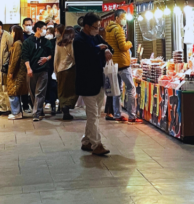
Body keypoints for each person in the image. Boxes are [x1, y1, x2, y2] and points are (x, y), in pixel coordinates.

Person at [75, 13, 111, 155]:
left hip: (99, 81)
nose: (97, 30)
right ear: (86, 26)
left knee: (95, 114)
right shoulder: (78, 40)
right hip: (86, 83)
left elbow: (109, 48)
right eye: (95, 27)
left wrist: (106, 49)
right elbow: (84, 59)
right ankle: (97, 144)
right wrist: (99, 49)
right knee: (93, 115)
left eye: (98, 27)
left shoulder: (96, 37)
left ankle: (86, 141)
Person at [105, 9, 138, 123]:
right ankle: (132, 115)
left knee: (117, 90)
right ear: (117, 18)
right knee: (131, 88)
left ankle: (117, 114)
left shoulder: (108, 29)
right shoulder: (118, 29)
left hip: (114, 63)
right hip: (123, 64)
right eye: (123, 17)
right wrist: (130, 43)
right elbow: (122, 46)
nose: (124, 20)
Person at [23, 21, 55, 121]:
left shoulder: (46, 42)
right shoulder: (28, 42)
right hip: (31, 70)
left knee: (40, 92)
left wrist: (47, 59)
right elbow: (25, 56)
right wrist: (28, 68)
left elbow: (51, 54)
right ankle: (37, 110)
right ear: (38, 29)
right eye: (44, 29)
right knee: (32, 92)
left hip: (44, 70)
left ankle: (36, 113)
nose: (45, 31)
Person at [54, 25, 77, 120]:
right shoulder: (71, 42)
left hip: (60, 69)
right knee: (72, 90)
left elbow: (56, 57)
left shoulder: (58, 42)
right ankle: (67, 107)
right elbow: (73, 55)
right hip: (70, 69)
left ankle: (63, 106)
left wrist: (55, 70)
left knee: (62, 90)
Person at [6, 26, 29, 120]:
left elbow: (15, 59)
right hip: (19, 72)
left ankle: (16, 112)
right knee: (16, 92)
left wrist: (11, 71)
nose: (11, 34)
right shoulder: (19, 43)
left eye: (12, 32)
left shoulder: (17, 44)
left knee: (13, 92)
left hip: (16, 72)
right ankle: (17, 112)